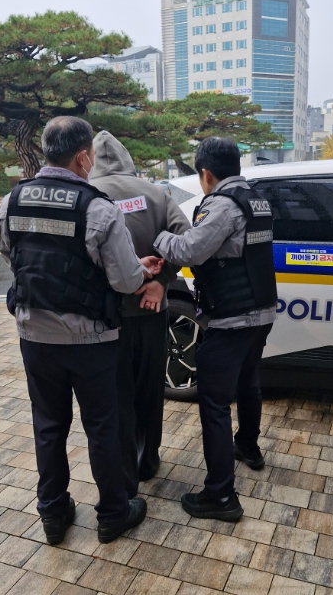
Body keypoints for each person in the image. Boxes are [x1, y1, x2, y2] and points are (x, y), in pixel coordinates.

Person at [0, 116, 163, 545]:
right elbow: (124, 281)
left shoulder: (11, 202)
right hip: (91, 340)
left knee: (48, 425)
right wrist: (140, 270)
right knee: (103, 426)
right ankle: (113, 514)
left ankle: (53, 514)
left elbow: (13, 257)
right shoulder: (98, 208)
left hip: (35, 335)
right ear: (84, 157)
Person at [153, 136, 278, 521]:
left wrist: (157, 236)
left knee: (214, 402)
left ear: (206, 173)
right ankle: (248, 447)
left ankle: (221, 495)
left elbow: (189, 250)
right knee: (248, 381)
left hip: (233, 318)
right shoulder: (256, 199)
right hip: (261, 312)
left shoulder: (222, 205)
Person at [88, 131, 190, 498]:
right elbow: (187, 239)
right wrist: (161, 280)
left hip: (107, 317)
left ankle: (125, 467)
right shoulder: (155, 193)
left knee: (117, 395)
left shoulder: (87, 196)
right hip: (152, 310)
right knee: (150, 389)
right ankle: (149, 461)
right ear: (128, 158)